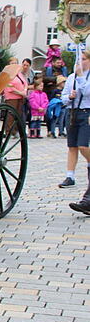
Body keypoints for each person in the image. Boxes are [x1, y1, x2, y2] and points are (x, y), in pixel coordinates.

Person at [66, 51, 90, 211]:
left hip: (87, 113)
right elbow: (63, 96)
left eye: (83, 59)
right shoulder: (71, 77)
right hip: (73, 112)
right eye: (79, 59)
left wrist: (81, 76)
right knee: (73, 146)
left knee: (83, 146)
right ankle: (87, 201)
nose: (80, 62)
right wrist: (69, 96)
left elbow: (88, 92)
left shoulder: (81, 76)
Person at [1, 57, 28, 124]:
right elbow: (9, 87)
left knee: (18, 115)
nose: (14, 65)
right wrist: (21, 93)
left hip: (20, 97)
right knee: (11, 115)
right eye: (12, 63)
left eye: (15, 63)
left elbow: (25, 83)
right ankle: (9, 131)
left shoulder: (18, 73)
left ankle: (15, 130)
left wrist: (24, 90)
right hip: (11, 97)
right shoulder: (7, 73)